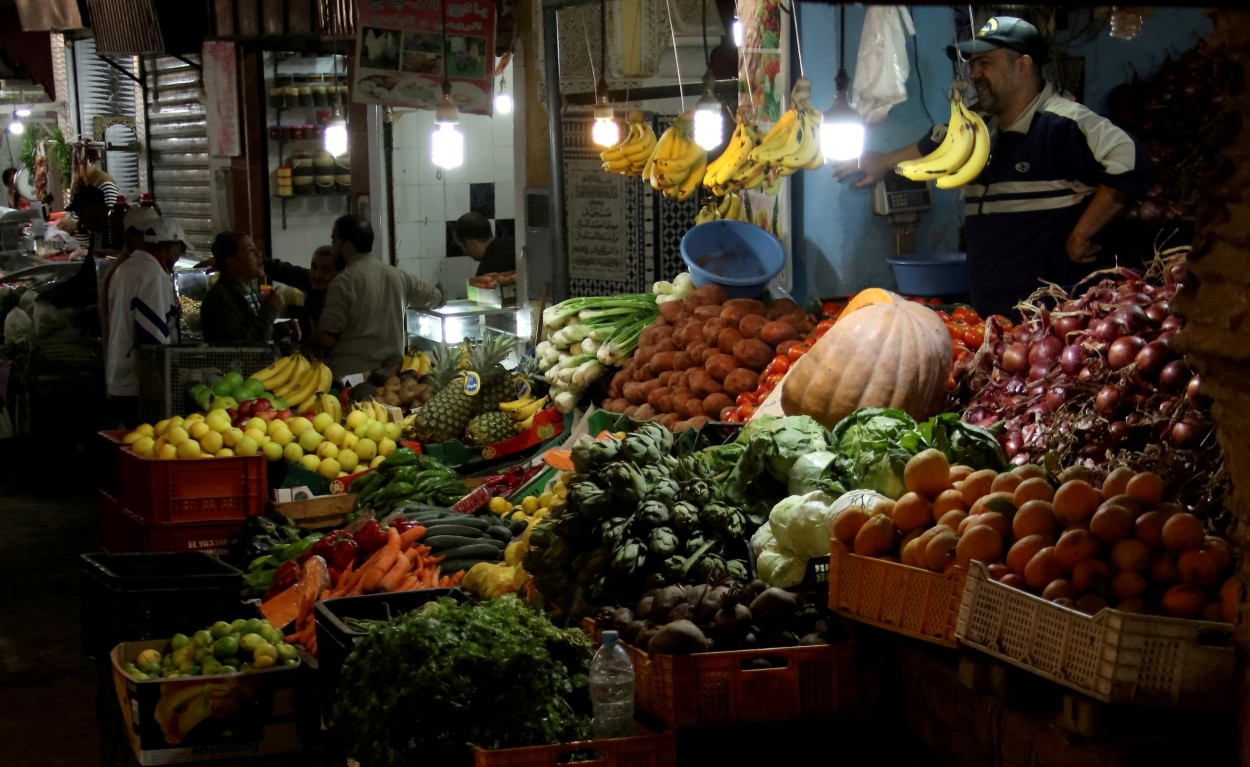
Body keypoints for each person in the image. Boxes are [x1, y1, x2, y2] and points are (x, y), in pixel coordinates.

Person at [832, 16, 1152, 318]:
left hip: (1054, 321)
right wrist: (884, 161)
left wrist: (1081, 234)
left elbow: (1131, 161)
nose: (974, 74)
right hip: (990, 313)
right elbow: (937, 142)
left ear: (1022, 66)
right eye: (972, 65)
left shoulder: (1065, 123)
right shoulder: (980, 129)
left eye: (986, 63)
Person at [313, 214, 443, 380]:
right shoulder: (398, 276)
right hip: (391, 378)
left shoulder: (343, 282)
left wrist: (309, 344)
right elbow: (437, 298)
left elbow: (327, 339)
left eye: (334, 241)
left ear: (346, 246)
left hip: (352, 379)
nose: (332, 249)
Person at [104, 217, 182, 428]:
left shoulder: (126, 268)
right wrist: (166, 380)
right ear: (170, 245)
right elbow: (152, 335)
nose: (179, 256)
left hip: (120, 375)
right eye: (180, 249)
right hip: (136, 383)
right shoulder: (151, 273)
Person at [199, 231, 288, 345]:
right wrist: (269, 312)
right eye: (250, 250)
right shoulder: (220, 299)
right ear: (231, 262)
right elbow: (242, 348)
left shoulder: (249, 292)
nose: (259, 253)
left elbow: (252, 331)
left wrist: (281, 329)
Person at [263, 244, 343, 330]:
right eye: (314, 267)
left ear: (340, 273)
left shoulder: (348, 294)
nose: (317, 275)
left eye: (325, 270)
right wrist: (256, 259)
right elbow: (281, 270)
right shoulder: (308, 280)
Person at [451, 211, 516, 277]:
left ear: (470, 244)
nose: (464, 252)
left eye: (462, 246)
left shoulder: (486, 275)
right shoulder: (516, 244)